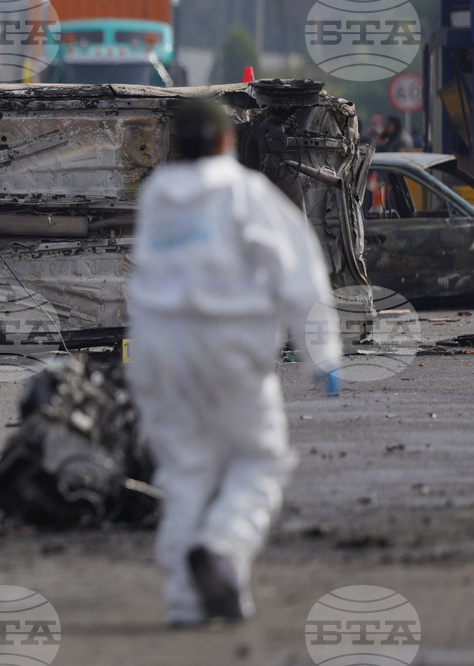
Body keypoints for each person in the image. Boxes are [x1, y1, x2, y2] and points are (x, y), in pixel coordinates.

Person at [127, 98, 342, 627]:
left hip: (157, 352)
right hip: (228, 348)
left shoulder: (156, 196)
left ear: (176, 143)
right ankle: (222, 546)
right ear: (227, 141)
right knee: (261, 459)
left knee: (185, 473)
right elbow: (301, 274)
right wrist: (323, 355)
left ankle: (186, 602)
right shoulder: (247, 195)